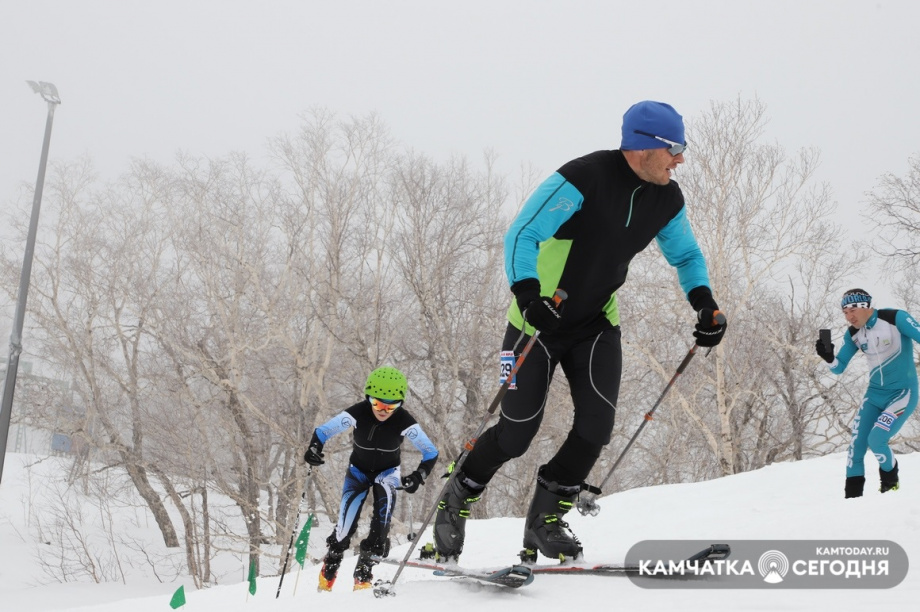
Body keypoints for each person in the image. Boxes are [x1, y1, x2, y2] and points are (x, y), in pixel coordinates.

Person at [432, 100, 726, 563]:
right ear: (645, 147)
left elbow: (686, 257)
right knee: (516, 432)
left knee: (596, 426)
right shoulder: (584, 178)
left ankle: (545, 518)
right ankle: (458, 494)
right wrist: (530, 296)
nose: (681, 160)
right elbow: (521, 234)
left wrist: (705, 304)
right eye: (675, 149)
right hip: (538, 322)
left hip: (595, 324)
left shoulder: (667, 198)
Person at [306, 366, 438, 591]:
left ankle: (363, 575)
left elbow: (431, 452)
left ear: (400, 404)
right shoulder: (357, 413)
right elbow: (322, 432)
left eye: (391, 406)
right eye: (377, 404)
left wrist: (418, 476)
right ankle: (329, 570)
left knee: (381, 526)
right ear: (368, 399)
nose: (383, 410)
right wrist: (314, 449)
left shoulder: (405, 421)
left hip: (387, 475)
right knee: (344, 529)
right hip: (358, 472)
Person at [815, 289, 920, 498]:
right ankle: (852, 502)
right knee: (855, 449)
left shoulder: (895, 318)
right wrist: (828, 357)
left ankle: (890, 487)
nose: (849, 316)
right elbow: (838, 367)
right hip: (874, 396)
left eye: (853, 310)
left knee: (877, 439)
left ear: (866, 307)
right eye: (845, 312)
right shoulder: (854, 333)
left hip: (902, 393)